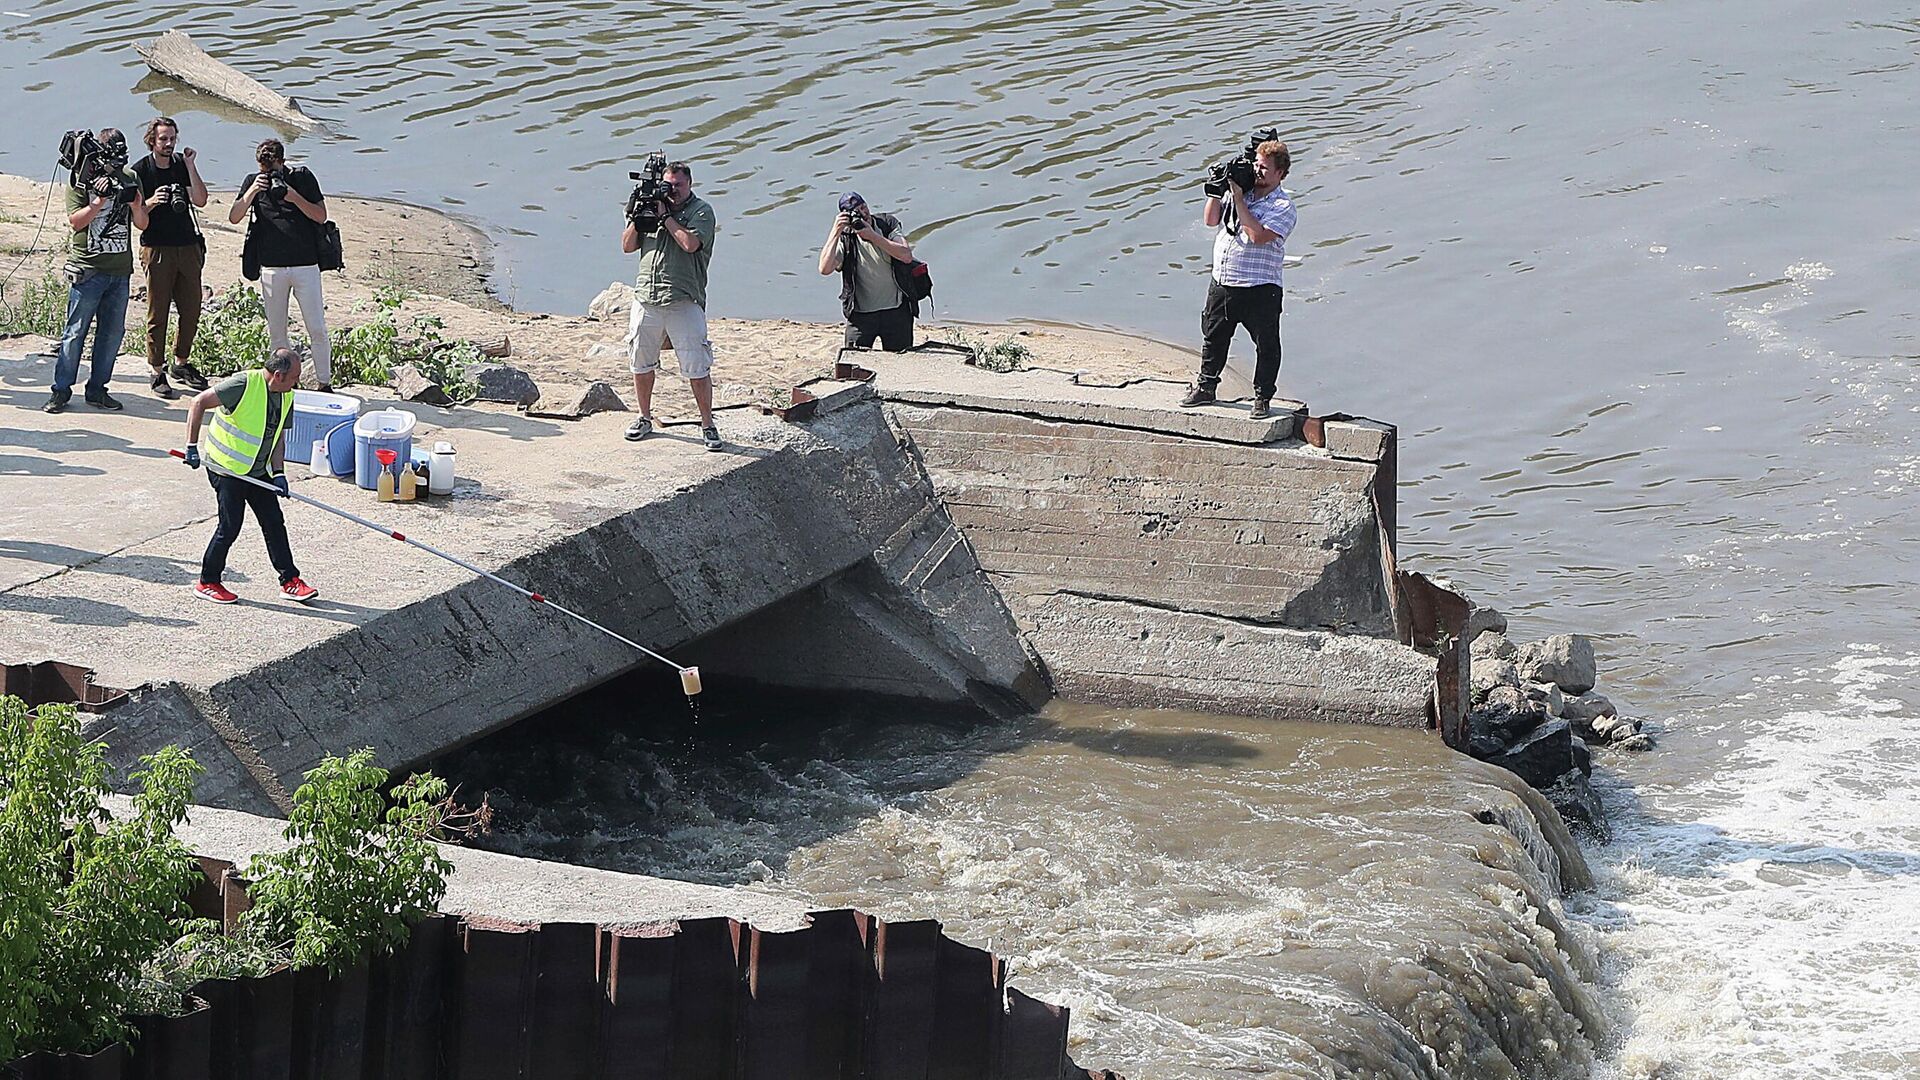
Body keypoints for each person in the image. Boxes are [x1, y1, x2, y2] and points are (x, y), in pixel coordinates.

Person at [181, 347, 318, 604]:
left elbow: (278, 438)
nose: (297, 382)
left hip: (257, 472)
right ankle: (208, 581)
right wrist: (191, 446)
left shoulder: (286, 395)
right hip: (226, 468)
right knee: (230, 526)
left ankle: (289, 580)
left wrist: (278, 473)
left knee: (274, 522)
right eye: (294, 377)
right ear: (278, 375)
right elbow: (198, 402)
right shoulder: (243, 384)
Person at [1180, 137, 1297, 419]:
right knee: (1213, 337)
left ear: (1280, 173)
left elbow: (1256, 236)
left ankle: (1262, 398)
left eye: (1265, 169)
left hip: (1260, 288)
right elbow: (1211, 220)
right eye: (1256, 165)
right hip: (1223, 281)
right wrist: (1217, 190)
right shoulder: (1239, 190)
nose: (1257, 172)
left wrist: (1240, 199)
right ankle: (1206, 387)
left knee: (1266, 345)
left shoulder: (1283, 206)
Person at [619, 160, 721, 450]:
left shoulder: (701, 211)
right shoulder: (649, 206)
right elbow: (627, 246)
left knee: (696, 364)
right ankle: (643, 417)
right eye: (668, 185)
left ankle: (708, 424)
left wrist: (666, 218)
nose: (673, 190)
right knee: (640, 360)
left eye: (678, 185)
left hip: (683, 299)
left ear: (689, 184)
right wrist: (640, 215)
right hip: (646, 298)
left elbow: (690, 244)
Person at [47, 128, 139, 414]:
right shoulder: (80, 179)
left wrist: (137, 204)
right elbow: (76, 222)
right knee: (75, 333)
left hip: (120, 271)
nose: (119, 164)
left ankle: (98, 390)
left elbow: (143, 223)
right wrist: (97, 202)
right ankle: (61, 391)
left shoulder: (131, 178)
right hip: (88, 270)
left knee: (112, 335)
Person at [230, 139, 333, 392]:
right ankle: (283, 383)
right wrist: (253, 190)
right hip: (271, 267)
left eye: (273, 170)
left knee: (316, 328)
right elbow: (234, 217)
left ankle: (325, 382)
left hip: (305, 265)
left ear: (283, 162)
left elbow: (321, 216)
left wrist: (294, 196)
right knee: (277, 332)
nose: (269, 175)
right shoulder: (253, 181)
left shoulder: (301, 177)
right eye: (264, 170)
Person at [132, 116, 211, 400]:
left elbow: (200, 199)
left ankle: (181, 363)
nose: (168, 144)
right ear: (152, 140)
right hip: (157, 248)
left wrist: (190, 166)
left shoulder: (181, 164)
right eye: (163, 139)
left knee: (192, 309)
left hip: (188, 246)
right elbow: (138, 220)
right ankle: (156, 369)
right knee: (159, 313)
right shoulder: (140, 170)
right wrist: (151, 202)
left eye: (172, 138)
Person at [816, 191, 916, 351]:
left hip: (896, 311)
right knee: (853, 364)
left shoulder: (886, 224)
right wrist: (836, 231)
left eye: (864, 207)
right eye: (857, 211)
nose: (863, 213)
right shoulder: (846, 237)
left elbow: (906, 255)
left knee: (901, 362)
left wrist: (873, 236)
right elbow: (824, 268)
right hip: (861, 315)